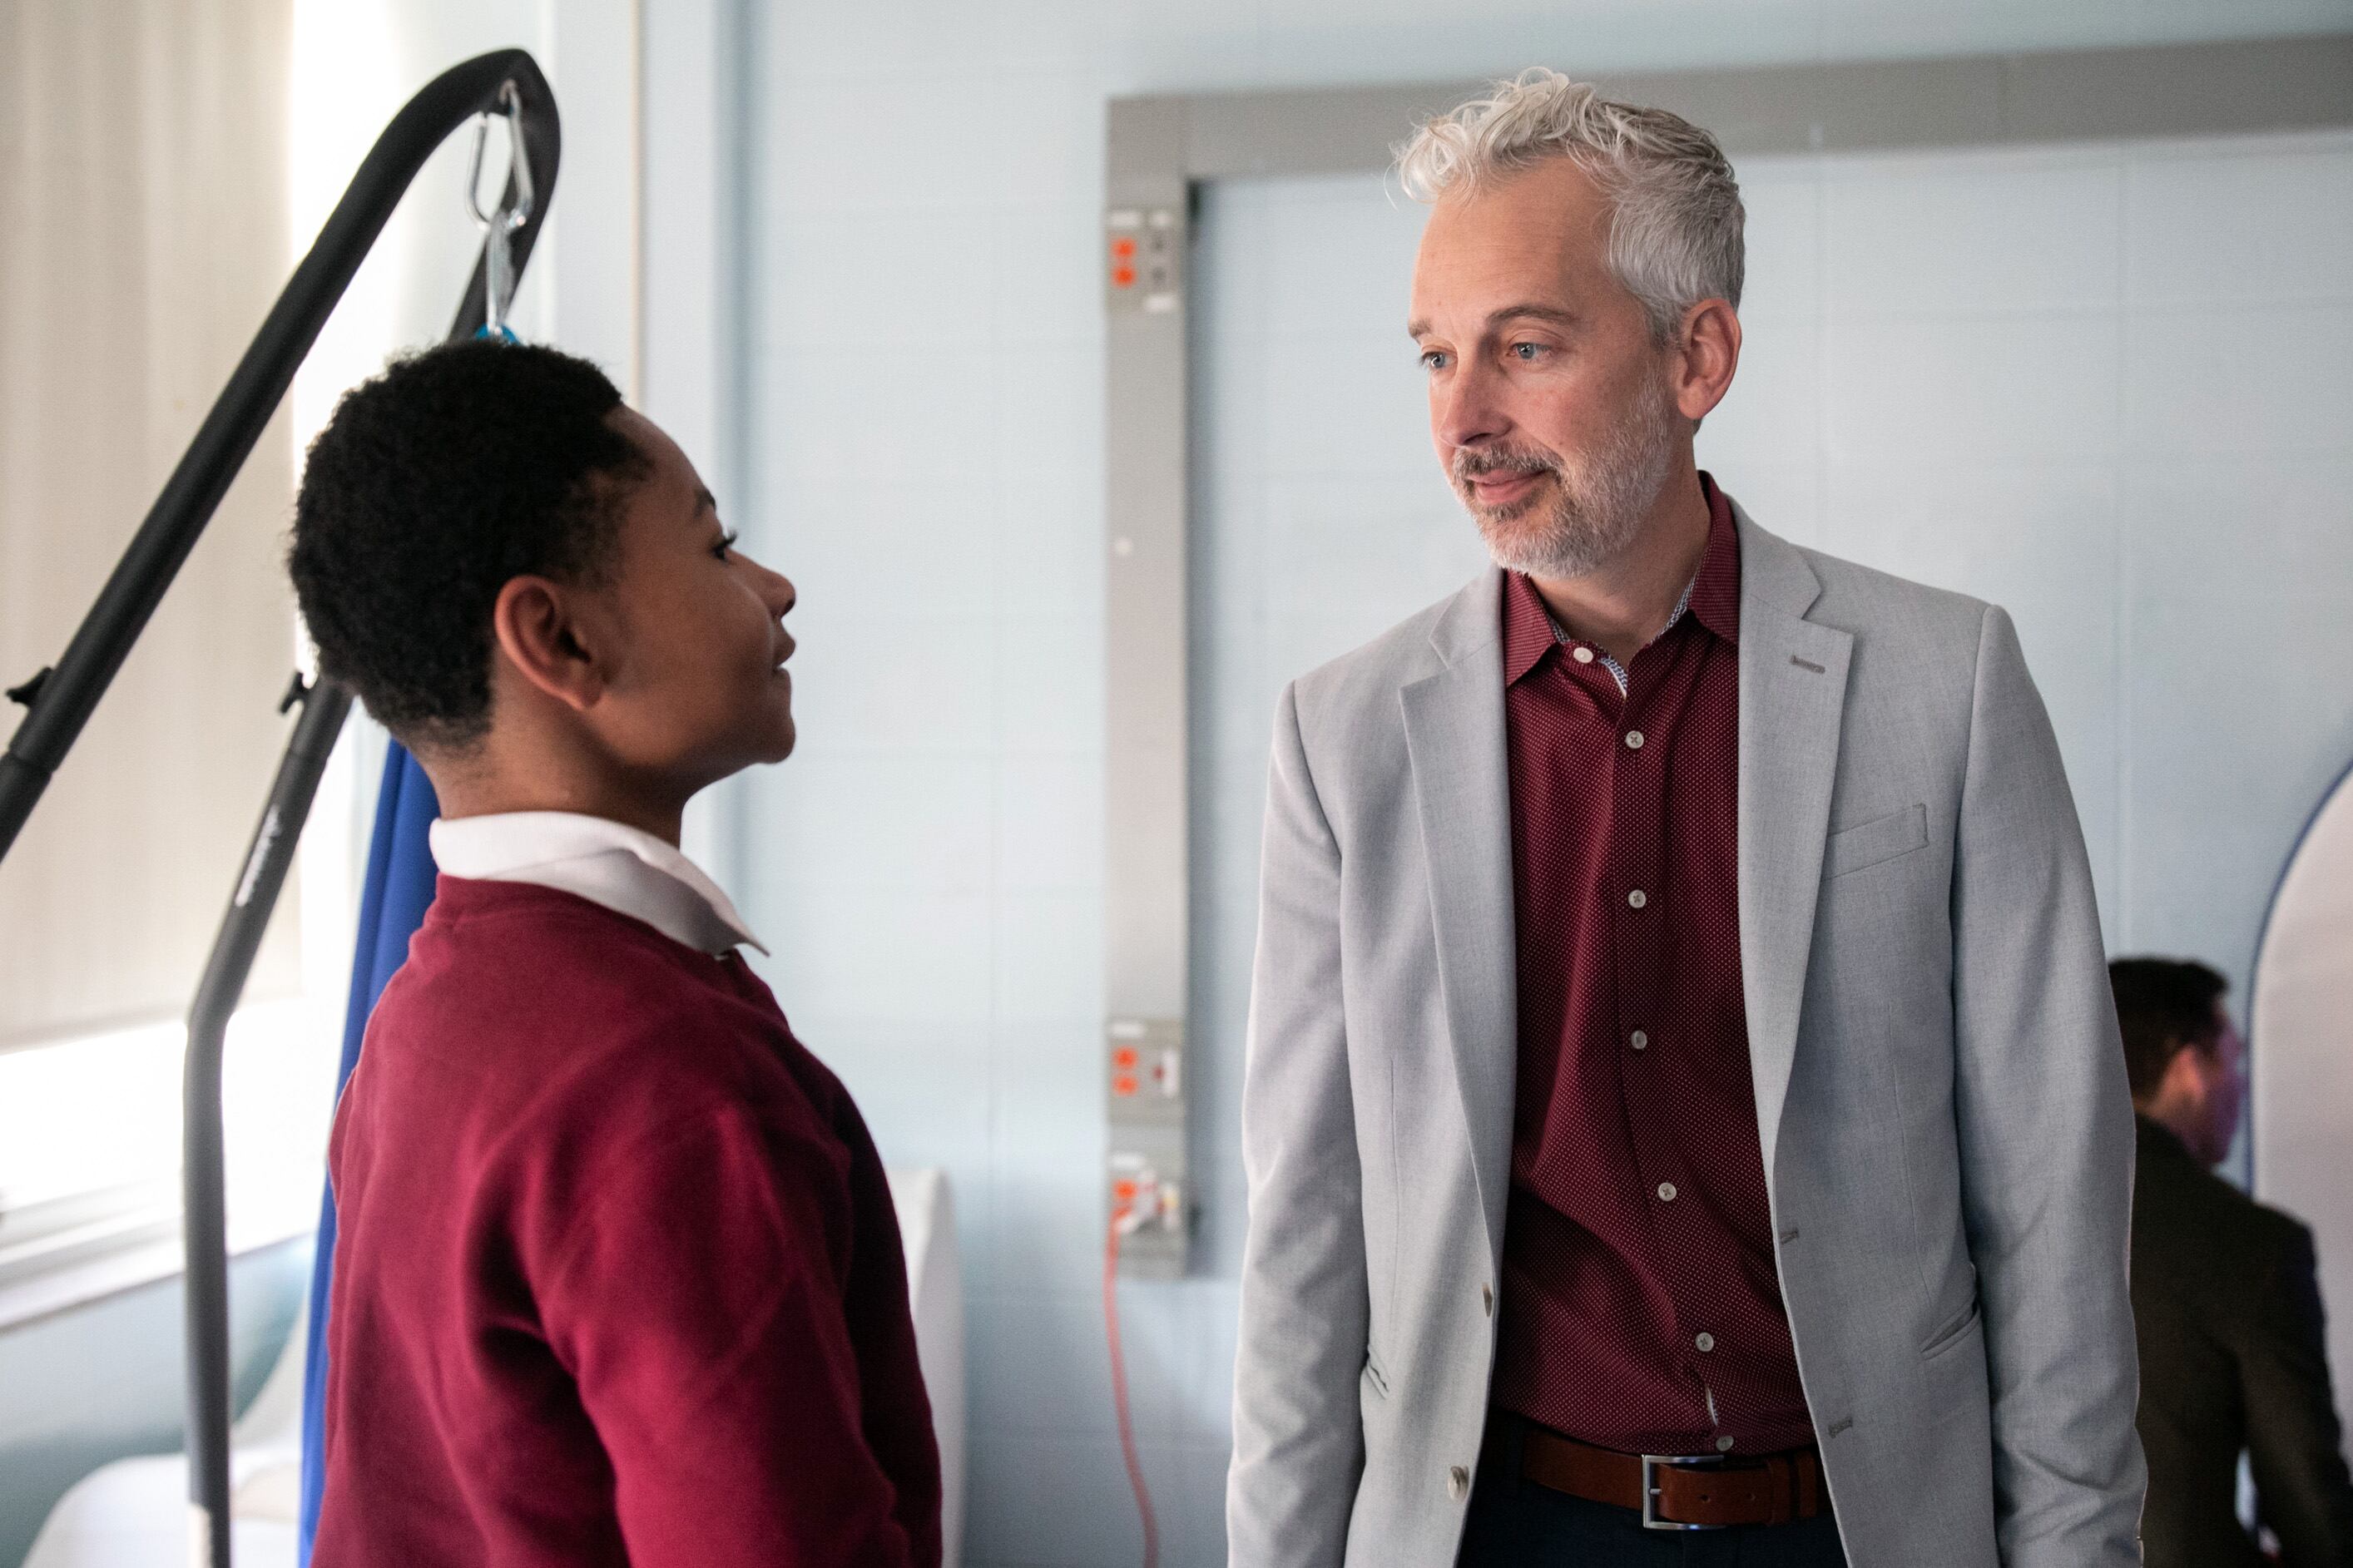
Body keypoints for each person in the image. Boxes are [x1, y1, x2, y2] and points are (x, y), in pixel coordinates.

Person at [1226, 70, 2142, 1568]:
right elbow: (1305, 1234)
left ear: (1695, 353)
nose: (1463, 418)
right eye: (1434, 357)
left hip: (1851, 1528)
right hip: (1494, 1525)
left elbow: (2051, 1197)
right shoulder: (1342, 738)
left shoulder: (1943, 684)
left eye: (1523, 346)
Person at [291, 339, 941, 1566]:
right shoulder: (668, 1082)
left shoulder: (424, 1016)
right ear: (562, 641)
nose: (776, 584)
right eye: (714, 543)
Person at [2113, 957, 2353, 1568]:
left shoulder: (2004, 1214)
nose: (2240, 1084)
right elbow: (2307, 1503)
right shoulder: (2250, 1244)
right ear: (2191, 1067)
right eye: (2234, 1057)